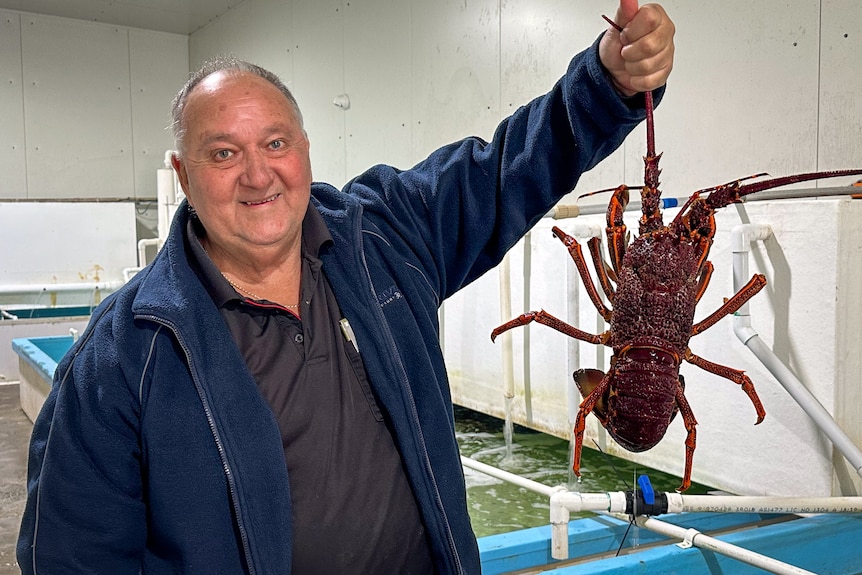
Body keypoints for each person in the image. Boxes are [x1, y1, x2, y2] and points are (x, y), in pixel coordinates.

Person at [17, 1, 674, 573]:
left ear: (304, 149)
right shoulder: (118, 360)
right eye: (223, 153)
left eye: (275, 142)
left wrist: (606, 83)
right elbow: (70, 555)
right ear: (183, 176)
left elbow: (501, 171)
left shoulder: (382, 237)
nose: (257, 175)